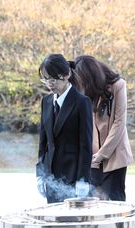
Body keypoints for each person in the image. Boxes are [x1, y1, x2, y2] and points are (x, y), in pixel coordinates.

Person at [73, 55, 133, 201]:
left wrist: (102, 154)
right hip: (91, 158)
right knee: (91, 203)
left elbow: (119, 122)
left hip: (114, 156)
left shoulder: (118, 86)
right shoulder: (82, 92)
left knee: (113, 202)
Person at [36, 54, 92, 203]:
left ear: (66, 75)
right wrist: (40, 174)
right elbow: (43, 143)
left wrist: (83, 179)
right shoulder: (46, 102)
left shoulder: (82, 102)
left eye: (53, 79)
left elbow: (85, 144)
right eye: (45, 79)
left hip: (73, 176)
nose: (49, 84)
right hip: (50, 177)